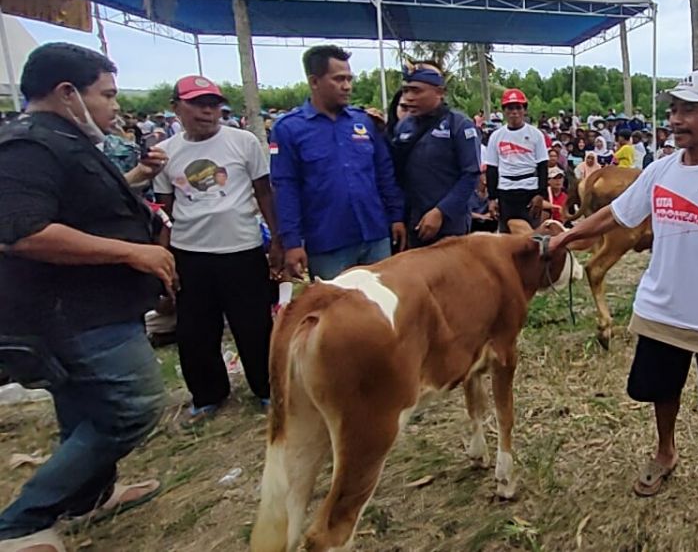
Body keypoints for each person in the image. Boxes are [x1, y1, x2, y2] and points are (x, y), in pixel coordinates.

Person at [550, 70, 698, 530]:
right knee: (661, 391)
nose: (676, 118)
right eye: (673, 109)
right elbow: (617, 212)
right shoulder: (661, 170)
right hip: (661, 311)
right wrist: (568, 235)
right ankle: (665, 451)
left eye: (688, 109)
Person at [0, 44, 169, 552]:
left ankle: (87, 497)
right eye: (108, 94)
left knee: (83, 409)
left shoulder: (63, 139)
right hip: (76, 314)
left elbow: (77, 207)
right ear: (68, 93)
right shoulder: (29, 145)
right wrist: (131, 253)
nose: (116, 106)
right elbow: (23, 232)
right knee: (133, 408)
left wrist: (136, 186)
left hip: (93, 307)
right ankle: (22, 521)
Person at [152, 75, 281, 422]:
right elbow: (164, 210)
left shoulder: (243, 142)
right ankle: (208, 395)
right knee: (195, 331)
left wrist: (278, 242)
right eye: (197, 104)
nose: (207, 112)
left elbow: (264, 193)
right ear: (175, 107)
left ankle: (268, 390)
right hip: (190, 254)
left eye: (213, 104)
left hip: (241, 249)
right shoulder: (165, 153)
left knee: (254, 326)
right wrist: (164, 259)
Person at [270, 45, 407, 280]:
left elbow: (384, 174)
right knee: (337, 311)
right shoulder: (289, 129)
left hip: (374, 235)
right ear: (314, 81)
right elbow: (285, 188)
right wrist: (292, 243)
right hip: (327, 243)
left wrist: (396, 216)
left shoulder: (364, 122)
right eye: (339, 79)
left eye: (349, 79)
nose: (347, 86)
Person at [389, 62, 480, 248]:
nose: (408, 98)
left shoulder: (459, 125)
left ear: (439, 92)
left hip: (450, 223)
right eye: (405, 91)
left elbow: (470, 175)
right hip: (413, 220)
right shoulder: (403, 126)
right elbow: (395, 175)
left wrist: (441, 212)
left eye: (416, 91)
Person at [484, 89, 548, 232]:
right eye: (510, 108)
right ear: (504, 111)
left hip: (529, 190)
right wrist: (492, 198)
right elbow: (492, 169)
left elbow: (543, 166)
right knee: (507, 238)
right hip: (505, 191)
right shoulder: (496, 136)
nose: (514, 112)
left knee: (532, 238)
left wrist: (540, 195)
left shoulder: (536, 134)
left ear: (524, 110)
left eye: (518, 107)